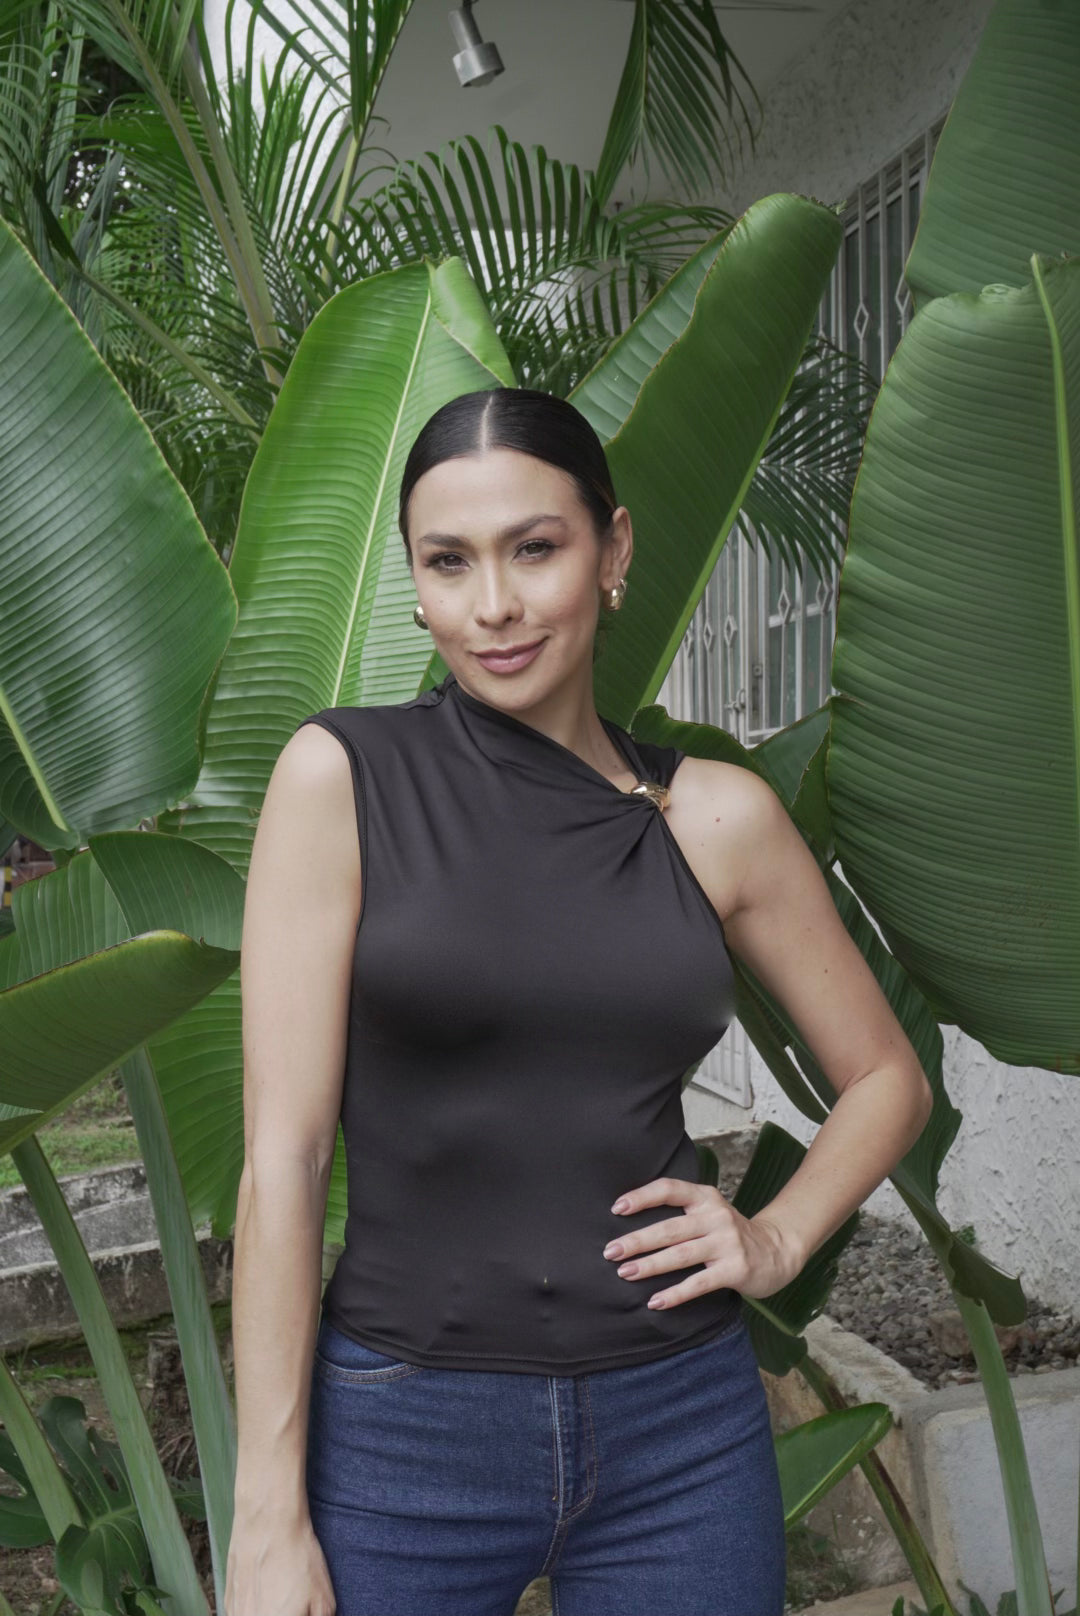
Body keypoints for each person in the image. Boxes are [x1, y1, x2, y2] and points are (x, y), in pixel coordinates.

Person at [224, 387, 934, 1616]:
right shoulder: (342, 778)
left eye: (534, 547)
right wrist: (266, 1516)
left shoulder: (717, 818)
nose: (492, 604)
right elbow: (283, 1157)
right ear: (416, 583)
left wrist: (775, 1238)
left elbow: (889, 1078)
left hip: (681, 1432)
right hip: (403, 1431)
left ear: (613, 552)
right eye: (449, 561)